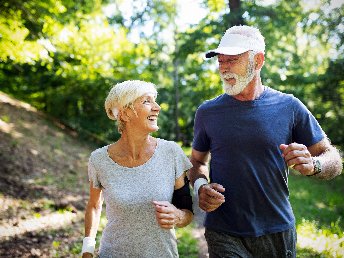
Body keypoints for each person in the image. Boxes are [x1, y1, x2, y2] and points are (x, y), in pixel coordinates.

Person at [188, 25, 343, 258]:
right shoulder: (207, 112)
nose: (223, 67)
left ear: (258, 61)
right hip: (223, 231)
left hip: (277, 231)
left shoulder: (290, 107)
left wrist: (315, 165)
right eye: (220, 60)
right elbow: (197, 162)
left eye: (232, 59)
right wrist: (201, 186)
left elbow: (333, 158)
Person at [81, 80, 193, 258]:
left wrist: (178, 216)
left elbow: (187, 210)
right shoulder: (99, 159)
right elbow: (94, 206)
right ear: (125, 113)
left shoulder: (171, 153)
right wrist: (87, 248)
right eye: (147, 101)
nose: (157, 108)